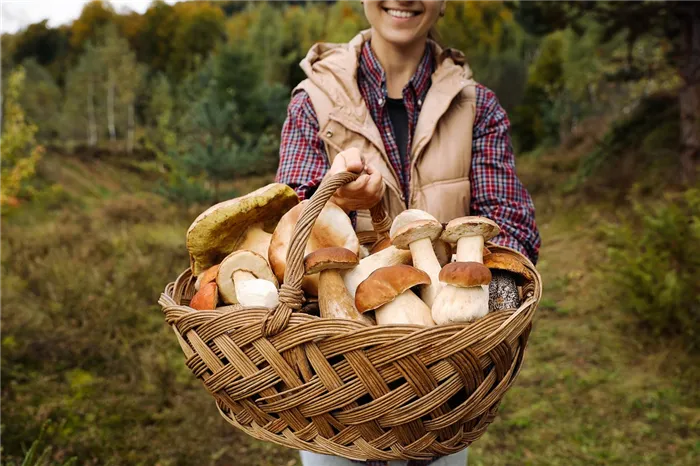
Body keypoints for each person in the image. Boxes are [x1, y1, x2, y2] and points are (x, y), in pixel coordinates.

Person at [275, 1, 541, 465]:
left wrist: (482, 317)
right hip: (338, 395)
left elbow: (513, 226)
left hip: (445, 395)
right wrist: (332, 198)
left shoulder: (477, 106)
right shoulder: (312, 101)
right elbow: (287, 232)